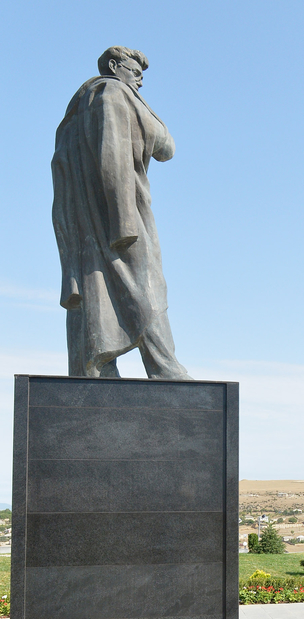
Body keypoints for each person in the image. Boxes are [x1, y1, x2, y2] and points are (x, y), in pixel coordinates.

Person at [52, 46, 190, 379]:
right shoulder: (113, 93)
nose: (140, 80)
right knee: (146, 287)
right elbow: (165, 147)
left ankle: (93, 373)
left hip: (83, 225)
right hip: (122, 219)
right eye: (135, 71)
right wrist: (122, 221)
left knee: (92, 289)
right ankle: (165, 369)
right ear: (114, 67)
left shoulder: (72, 114)